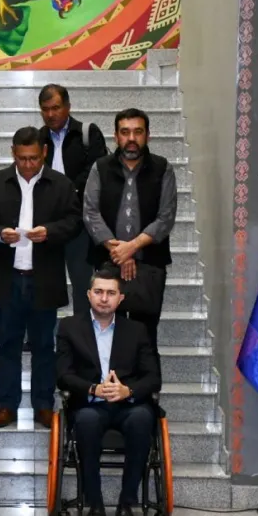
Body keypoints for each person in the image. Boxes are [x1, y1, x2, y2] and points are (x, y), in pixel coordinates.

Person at [0, 126, 81, 429]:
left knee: (44, 345)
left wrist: (50, 232)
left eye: (33, 158)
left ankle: (43, 405)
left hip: (44, 277)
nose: (28, 164)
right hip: (7, 278)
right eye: (22, 159)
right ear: (13, 154)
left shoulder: (61, 184)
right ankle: (7, 404)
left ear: (44, 153)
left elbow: (74, 221)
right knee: (8, 343)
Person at [56, 269, 160, 516]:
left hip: (129, 405)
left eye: (111, 293)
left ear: (120, 298)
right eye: (99, 292)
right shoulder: (69, 327)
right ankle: (95, 504)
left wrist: (128, 391)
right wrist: (93, 389)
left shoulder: (137, 330)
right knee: (87, 422)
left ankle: (127, 504)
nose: (104, 298)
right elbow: (63, 376)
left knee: (142, 420)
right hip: (90, 405)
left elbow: (153, 378)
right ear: (88, 295)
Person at [83, 108, 177, 362]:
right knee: (107, 334)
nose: (131, 138)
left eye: (138, 132)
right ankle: (109, 383)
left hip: (150, 266)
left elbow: (166, 217)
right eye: (125, 132)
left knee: (145, 336)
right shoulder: (100, 168)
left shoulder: (162, 169)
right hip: (107, 264)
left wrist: (132, 247)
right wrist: (119, 252)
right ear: (116, 136)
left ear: (148, 135)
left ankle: (146, 386)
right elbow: (90, 212)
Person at [38, 84, 108, 314]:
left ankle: (83, 329)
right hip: (48, 224)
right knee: (46, 285)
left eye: (56, 107)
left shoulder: (87, 133)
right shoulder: (38, 138)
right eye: (45, 109)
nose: (51, 114)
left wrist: (67, 192)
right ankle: (45, 331)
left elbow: (96, 170)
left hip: (79, 223)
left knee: (82, 284)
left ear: (68, 106)